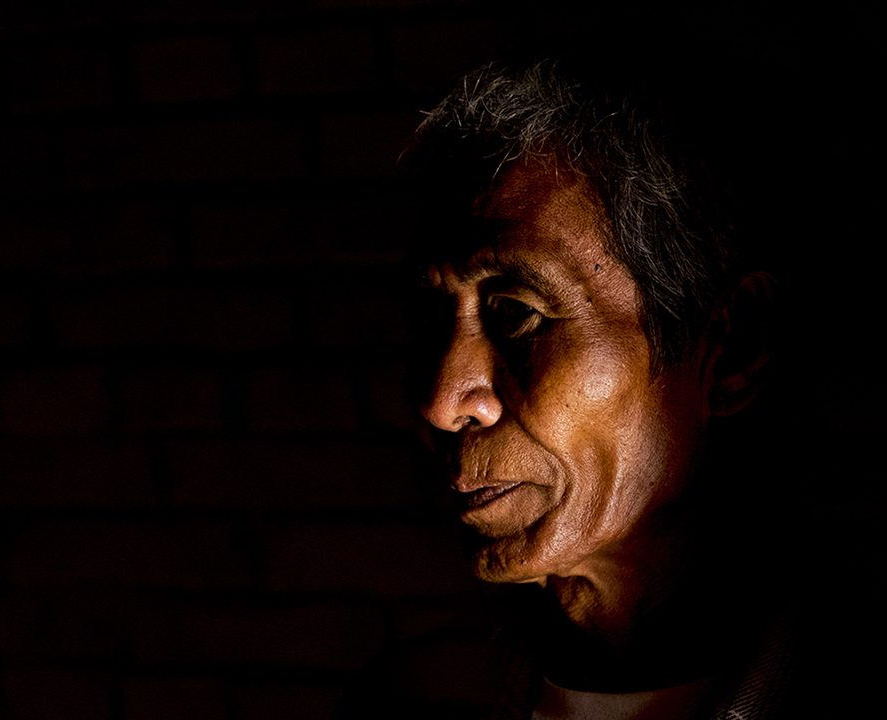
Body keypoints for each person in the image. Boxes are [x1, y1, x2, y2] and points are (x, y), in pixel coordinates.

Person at [333, 57, 883, 719]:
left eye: (518, 314)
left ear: (734, 348)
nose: (442, 402)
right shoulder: (409, 705)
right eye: (430, 319)